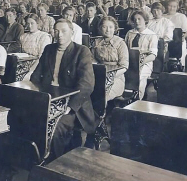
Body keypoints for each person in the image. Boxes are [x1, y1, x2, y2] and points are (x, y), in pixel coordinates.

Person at [31, 19, 97, 158]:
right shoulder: (49, 49)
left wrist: (69, 107)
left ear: (71, 33)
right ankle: (36, 158)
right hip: (48, 99)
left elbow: (86, 85)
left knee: (55, 128)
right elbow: (35, 77)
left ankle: (55, 163)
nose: (59, 34)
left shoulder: (81, 51)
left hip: (72, 104)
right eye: (56, 31)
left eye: (64, 31)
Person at [91, 16, 129, 101]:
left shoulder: (120, 43)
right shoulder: (97, 42)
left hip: (116, 78)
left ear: (115, 28)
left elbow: (124, 66)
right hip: (99, 76)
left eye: (111, 27)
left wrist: (109, 76)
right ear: (100, 28)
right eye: (104, 27)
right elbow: (92, 60)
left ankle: (100, 113)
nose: (108, 30)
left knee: (102, 94)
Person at [124, 11, 158, 100]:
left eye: (139, 19)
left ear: (145, 20)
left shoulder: (152, 35)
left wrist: (141, 61)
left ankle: (138, 99)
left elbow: (153, 55)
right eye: (135, 20)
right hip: (130, 62)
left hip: (145, 62)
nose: (137, 21)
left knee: (139, 76)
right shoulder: (130, 33)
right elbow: (125, 49)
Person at [164, 0, 187, 66]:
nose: (172, 8)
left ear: (177, 7)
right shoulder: (163, 17)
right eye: (170, 6)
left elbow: (186, 31)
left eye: (174, 6)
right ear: (167, 6)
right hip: (165, 40)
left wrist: (182, 38)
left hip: (177, 40)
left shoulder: (182, 16)